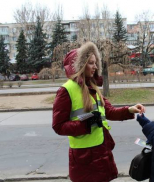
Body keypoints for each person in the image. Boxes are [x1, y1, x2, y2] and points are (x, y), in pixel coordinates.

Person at [52, 41, 145, 182]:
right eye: (90, 63)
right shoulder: (66, 90)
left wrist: (129, 110)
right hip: (84, 157)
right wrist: (86, 125)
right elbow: (58, 126)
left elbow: (109, 111)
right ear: (80, 65)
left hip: (101, 151)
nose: (95, 67)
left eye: (96, 63)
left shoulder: (93, 87)